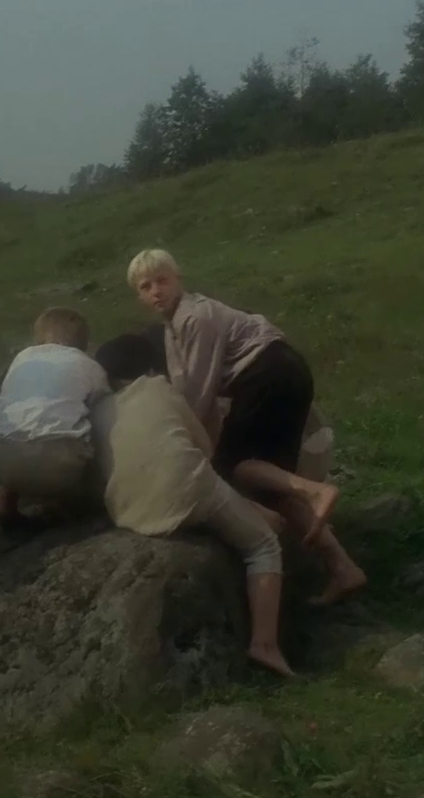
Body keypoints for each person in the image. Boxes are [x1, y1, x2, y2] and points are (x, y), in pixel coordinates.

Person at [126, 248, 367, 606]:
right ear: (139, 296)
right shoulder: (173, 328)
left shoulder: (196, 317)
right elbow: (195, 396)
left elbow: (197, 396)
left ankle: (311, 494)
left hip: (267, 373)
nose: (156, 291)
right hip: (282, 373)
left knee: (234, 468)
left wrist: (176, 448)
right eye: (146, 286)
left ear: (179, 279)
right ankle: (343, 567)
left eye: (162, 280)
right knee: (269, 481)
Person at [91, 334, 294, 677]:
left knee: (213, 495)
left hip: (129, 508)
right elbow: (204, 448)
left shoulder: (99, 410)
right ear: (150, 365)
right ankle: (265, 644)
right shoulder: (158, 388)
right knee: (263, 545)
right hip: (190, 489)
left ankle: (246, 510)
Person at [0, 307, 109, 531]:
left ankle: (5, 501)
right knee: (91, 419)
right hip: (56, 460)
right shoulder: (88, 364)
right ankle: (63, 499)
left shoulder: (22, 358)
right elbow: (101, 404)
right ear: (83, 342)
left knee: (20, 430)